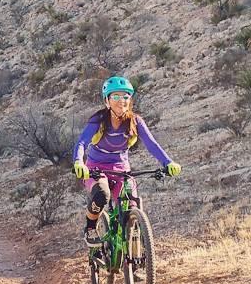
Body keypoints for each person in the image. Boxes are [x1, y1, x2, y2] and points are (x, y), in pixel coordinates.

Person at [72, 75, 181, 244]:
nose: (121, 100)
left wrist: (168, 163)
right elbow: (82, 142)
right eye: (115, 96)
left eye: (125, 96)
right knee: (102, 194)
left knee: (131, 205)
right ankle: (91, 228)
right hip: (96, 167)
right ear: (107, 100)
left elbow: (152, 144)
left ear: (130, 100)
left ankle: (133, 249)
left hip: (121, 168)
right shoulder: (98, 120)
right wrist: (79, 162)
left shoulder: (135, 121)